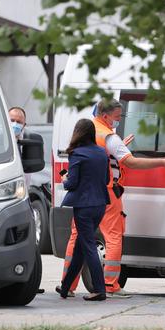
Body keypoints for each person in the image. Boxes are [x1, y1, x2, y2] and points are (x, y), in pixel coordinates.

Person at [60, 100, 165, 298]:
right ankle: (109, 284)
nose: (118, 121)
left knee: (77, 238)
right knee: (113, 237)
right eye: (116, 117)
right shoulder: (109, 138)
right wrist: (163, 161)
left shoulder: (90, 131)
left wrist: (120, 147)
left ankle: (68, 285)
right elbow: (130, 162)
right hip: (107, 194)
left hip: (83, 198)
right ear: (105, 116)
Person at [56, 119, 110, 301]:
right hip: (100, 204)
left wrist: (65, 180)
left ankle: (99, 289)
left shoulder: (77, 154)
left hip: (84, 207)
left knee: (88, 247)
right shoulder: (102, 153)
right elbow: (107, 178)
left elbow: (72, 183)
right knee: (81, 246)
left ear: (77, 132)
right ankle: (65, 287)